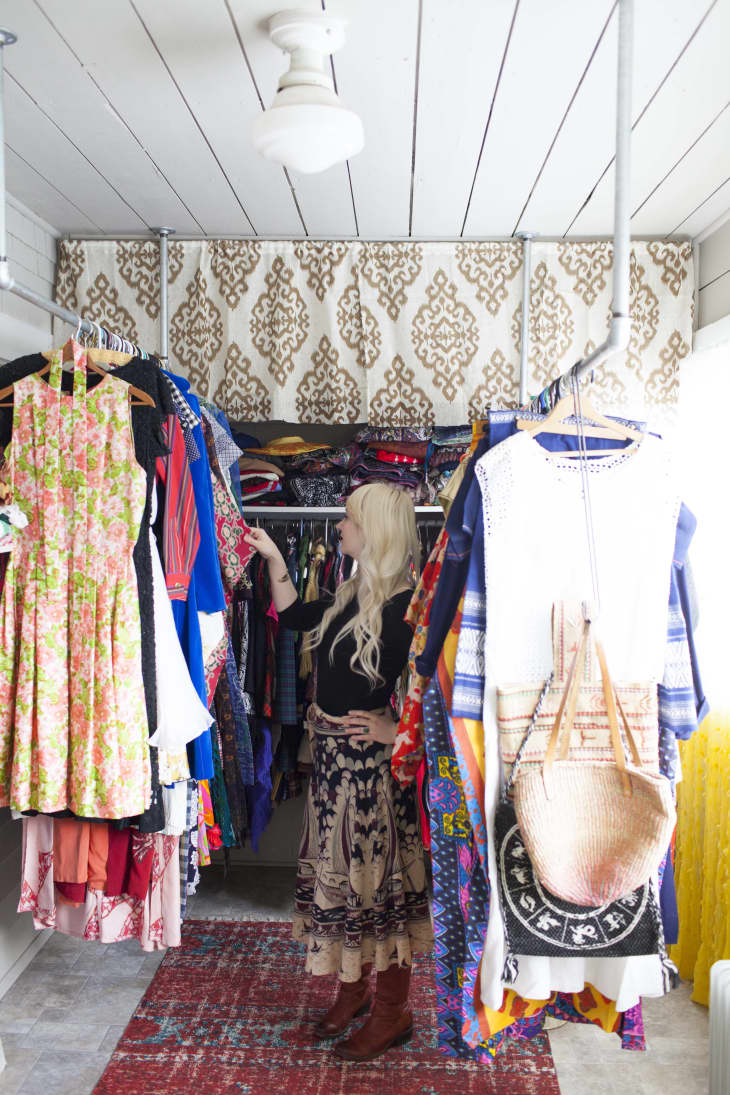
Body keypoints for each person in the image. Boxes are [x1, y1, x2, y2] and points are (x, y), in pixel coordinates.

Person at [244, 482, 433, 1062]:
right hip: (333, 771)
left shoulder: (409, 608)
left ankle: (393, 1012)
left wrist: (396, 730)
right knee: (347, 889)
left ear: (374, 532)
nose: (340, 528)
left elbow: (438, 695)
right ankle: (352, 992)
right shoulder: (349, 591)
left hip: (375, 778)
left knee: (378, 892)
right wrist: (276, 558)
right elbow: (293, 614)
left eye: (349, 521)